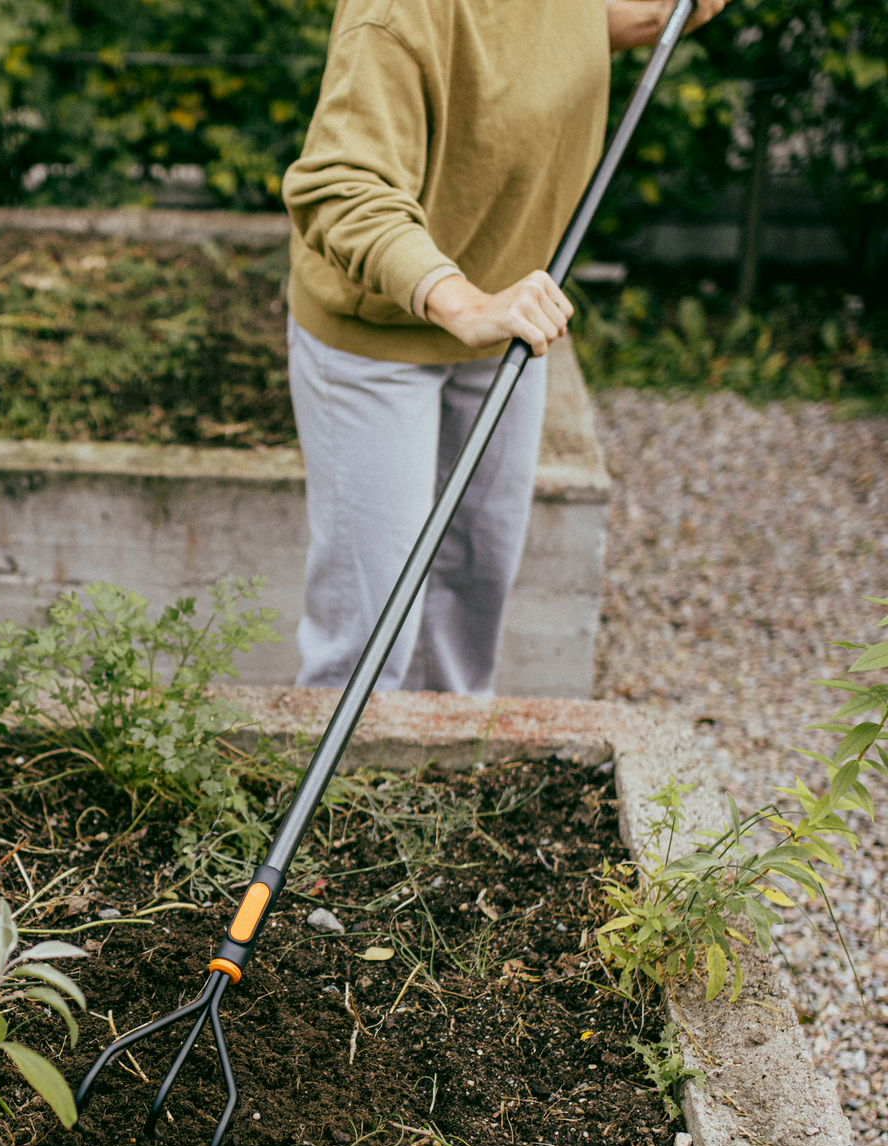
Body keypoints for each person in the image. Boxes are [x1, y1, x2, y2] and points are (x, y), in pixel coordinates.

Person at [281, 0, 728, 694]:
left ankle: (448, 785)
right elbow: (341, 187)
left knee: (472, 594)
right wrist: (468, 302)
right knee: (370, 639)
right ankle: (347, 794)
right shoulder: (394, 13)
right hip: (382, 343)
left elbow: (581, 30)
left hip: (500, 326)